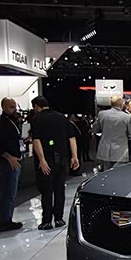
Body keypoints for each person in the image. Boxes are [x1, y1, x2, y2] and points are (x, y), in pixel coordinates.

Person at [31, 96, 79, 231]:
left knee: (46, 191)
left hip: (47, 160)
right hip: (62, 159)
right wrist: (74, 156)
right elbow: (72, 138)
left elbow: (36, 141)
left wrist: (42, 160)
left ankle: (46, 221)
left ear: (36, 106)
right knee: (59, 189)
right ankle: (59, 219)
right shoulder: (62, 117)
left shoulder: (37, 119)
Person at [0, 98, 24, 233]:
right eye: (11, 107)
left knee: (11, 191)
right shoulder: (0, 123)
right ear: (3, 107)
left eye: (15, 106)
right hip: (7, 162)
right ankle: (4, 222)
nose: (14, 109)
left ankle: (6, 219)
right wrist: (8, 157)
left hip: (15, 159)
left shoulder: (14, 121)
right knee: (8, 191)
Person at [93, 96, 131, 170]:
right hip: (120, 152)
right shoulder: (127, 117)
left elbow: (95, 129)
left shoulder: (101, 114)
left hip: (105, 151)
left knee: (106, 173)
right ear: (121, 104)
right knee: (118, 173)